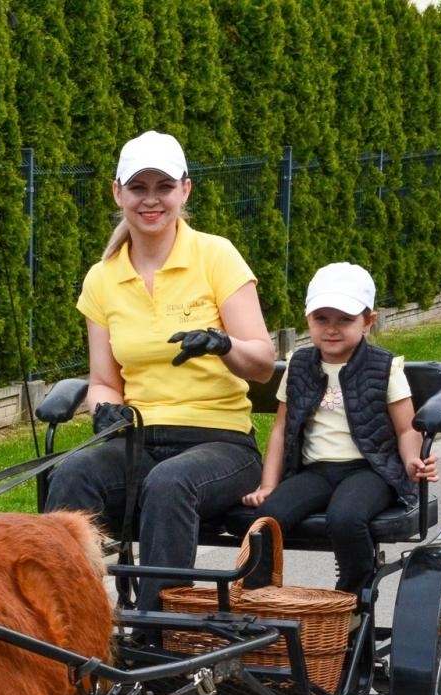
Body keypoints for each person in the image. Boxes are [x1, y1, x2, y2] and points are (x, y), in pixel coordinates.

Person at [43, 130, 276, 612]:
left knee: (170, 483)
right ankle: (68, 622)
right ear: (118, 193)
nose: (151, 199)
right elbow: (104, 381)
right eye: (138, 187)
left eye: (163, 187)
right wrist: (105, 410)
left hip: (222, 443)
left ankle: (160, 630)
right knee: (71, 476)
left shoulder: (216, 255)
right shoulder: (103, 278)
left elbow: (261, 364)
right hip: (141, 441)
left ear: (184, 191)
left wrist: (223, 344)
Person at [241, 261, 438, 593]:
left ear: (368, 321)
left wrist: (411, 462)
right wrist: (268, 485)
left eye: (345, 319)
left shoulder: (384, 367)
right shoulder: (299, 365)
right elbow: (281, 429)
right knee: (267, 520)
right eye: (321, 319)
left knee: (346, 517)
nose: (331, 329)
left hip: (370, 471)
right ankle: (258, 597)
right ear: (307, 319)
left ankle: (353, 593)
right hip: (316, 471)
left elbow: (406, 430)